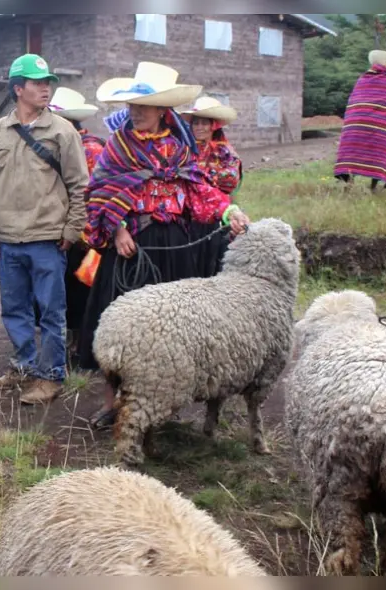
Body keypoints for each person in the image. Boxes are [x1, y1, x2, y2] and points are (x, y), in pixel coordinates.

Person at [79, 62, 251, 429]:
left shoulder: (178, 149)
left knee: (168, 333)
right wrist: (118, 229)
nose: (135, 112)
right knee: (118, 326)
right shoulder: (118, 147)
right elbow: (98, 192)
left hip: (174, 248)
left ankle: (158, 406)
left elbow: (199, 190)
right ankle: (112, 404)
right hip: (131, 248)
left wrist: (229, 211)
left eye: (143, 106)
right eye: (132, 106)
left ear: (162, 110)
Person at [0, 53, 89, 404]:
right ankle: (22, 367)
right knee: (14, 309)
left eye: (47, 82)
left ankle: (51, 377)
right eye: (37, 83)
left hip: (48, 240)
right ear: (18, 88)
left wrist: (71, 232)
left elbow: (80, 186)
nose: (45, 89)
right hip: (7, 240)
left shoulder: (62, 131)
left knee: (52, 312)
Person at [46, 87, 104, 366]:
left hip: (85, 232)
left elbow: (95, 192)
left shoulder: (91, 149)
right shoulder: (56, 145)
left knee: (83, 288)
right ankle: (71, 339)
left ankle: (83, 344)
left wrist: (84, 228)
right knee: (66, 286)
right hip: (59, 227)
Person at [177, 96, 242, 277]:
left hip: (216, 215)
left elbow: (231, 180)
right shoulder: (183, 150)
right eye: (196, 123)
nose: (199, 127)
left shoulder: (224, 152)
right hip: (187, 217)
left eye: (204, 123)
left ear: (214, 125)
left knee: (213, 263)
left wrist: (198, 178)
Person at [334, 50, 386, 193]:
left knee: (352, 152)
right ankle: (373, 187)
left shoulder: (363, 79)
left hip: (356, 125)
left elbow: (355, 102)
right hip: (380, 128)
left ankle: (348, 184)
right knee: (379, 152)